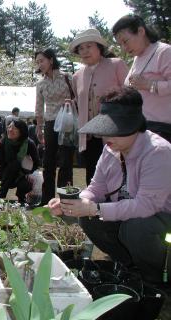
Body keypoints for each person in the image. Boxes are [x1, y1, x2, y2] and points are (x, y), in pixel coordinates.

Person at [48, 87, 171, 285]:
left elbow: (147, 206)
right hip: (134, 219)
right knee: (89, 219)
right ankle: (129, 266)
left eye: (114, 130)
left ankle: (155, 277)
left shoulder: (158, 152)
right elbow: (97, 188)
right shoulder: (111, 149)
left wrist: (95, 208)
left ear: (134, 126)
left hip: (162, 222)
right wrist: (77, 203)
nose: (106, 137)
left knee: (135, 228)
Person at [69, 29, 128, 186]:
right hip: (88, 134)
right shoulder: (77, 76)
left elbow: (131, 96)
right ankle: (92, 208)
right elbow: (79, 100)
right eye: (81, 48)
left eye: (89, 46)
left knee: (118, 173)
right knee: (93, 174)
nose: (85, 51)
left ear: (99, 47)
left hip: (115, 132)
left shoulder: (117, 65)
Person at [112, 14, 171, 142]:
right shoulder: (137, 58)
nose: (124, 48)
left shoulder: (164, 52)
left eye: (125, 41)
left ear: (141, 31)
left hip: (162, 128)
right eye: (120, 44)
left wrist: (149, 85)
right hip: (138, 127)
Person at [34, 48, 75, 205]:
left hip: (67, 122)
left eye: (42, 60)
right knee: (48, 162)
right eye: (37, 62)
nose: (40, 64)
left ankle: (66, 199)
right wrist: (39, 126)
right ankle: (47, 199)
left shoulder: (67, 77)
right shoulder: (40, 83)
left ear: (51, 60)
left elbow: (77, 97)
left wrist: (71, 103)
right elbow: (39, 106)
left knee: (66, 161)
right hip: (50, 123)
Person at [0, 119, 40, 204]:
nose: (10, 130)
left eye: (14, 128)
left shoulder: (29, 144)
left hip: (23, 175)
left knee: (17, 168)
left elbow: (37, 163)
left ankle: (20, 197)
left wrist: (30, 173)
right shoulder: (3, 141)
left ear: (21, 131)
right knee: (13, 165)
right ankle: (0, 194)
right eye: (9, 127)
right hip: (5, 175)